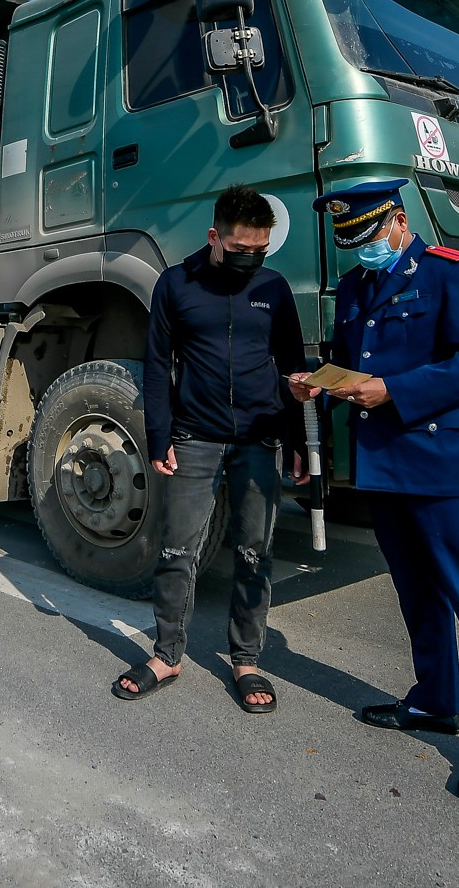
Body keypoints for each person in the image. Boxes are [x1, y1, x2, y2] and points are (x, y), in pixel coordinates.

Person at [290, 179, 459, 802]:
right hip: (387, 467)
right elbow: (353, 362)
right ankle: (433, 701)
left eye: (369, 235)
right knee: (418, 596)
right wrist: (319, 383)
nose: (362, 249)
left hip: (447, 468)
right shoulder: (354, 287)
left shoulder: (453, 272)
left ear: (397, 221)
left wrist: (393, 392)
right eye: (352, 242)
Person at [113, 185, 308, 713]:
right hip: (194, 438)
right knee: (178, 549)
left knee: (254, 552)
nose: (251, 260)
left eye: (260, 250)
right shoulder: (176, 285)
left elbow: (294, 369)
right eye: (241, 249)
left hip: (258, 438)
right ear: (214, 238)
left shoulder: (274, 287)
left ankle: (246, 659)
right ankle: (168, 652)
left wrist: (298, 441)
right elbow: (157, 367)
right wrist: (160, 435)